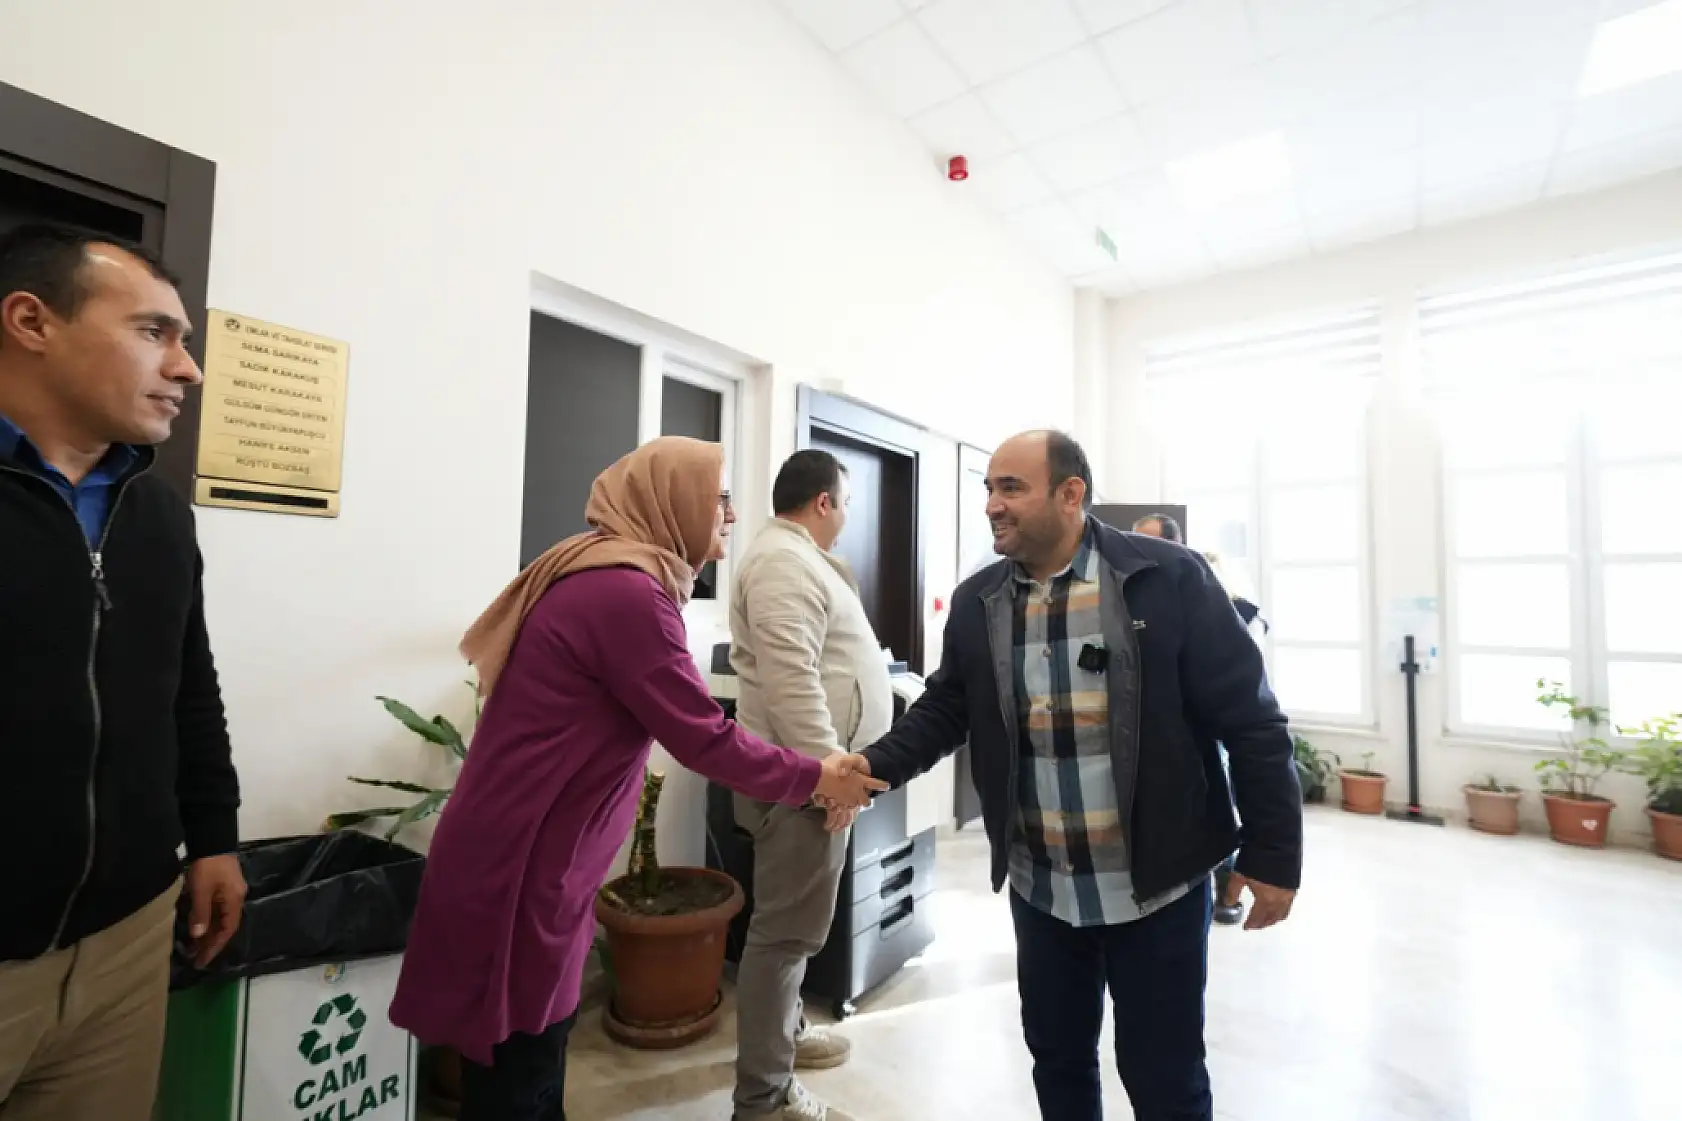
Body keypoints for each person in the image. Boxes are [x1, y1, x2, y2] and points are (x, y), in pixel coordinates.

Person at [389, 436, 885, 1121]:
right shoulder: (626, 593)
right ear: (671, 499)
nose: (732, 514)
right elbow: (705, 736)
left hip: (537, 848)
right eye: (718, 497)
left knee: (531, 1054)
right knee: (519, 1067)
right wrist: (817, 774)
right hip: (523, 859)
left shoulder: (612, 573)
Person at [860, 431, 1303, 1121]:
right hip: (1043, 891)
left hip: (1154, 888)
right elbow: (949, 705)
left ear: (1072, 494)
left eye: (1011, 487)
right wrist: (871, 768)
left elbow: (1251, 719)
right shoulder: (983, 599)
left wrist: (1274, 852)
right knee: (1059, 1063)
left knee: (1164, 1078)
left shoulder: (1171, 577)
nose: (991, 505)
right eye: (988, 487)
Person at [0, 224, 245, 1121]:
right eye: (155, 332)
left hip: (128, 940)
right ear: (31, 320)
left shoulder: (158, 516)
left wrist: (213, 835)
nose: (189, 369)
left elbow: (189, 685)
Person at [728, 449, 892, 1121]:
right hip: (800, 784)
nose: (846, 516)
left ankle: (786, 1035)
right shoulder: (782, 563)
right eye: (845, 503)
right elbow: (792, 680)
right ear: (823, 501)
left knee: (793, 928)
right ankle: (762, 1098)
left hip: (808, 778)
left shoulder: (799, 560)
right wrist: (828, 777)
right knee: (783, 936)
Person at [1130, 513, 1248, 927]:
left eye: (1145, 540)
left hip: (1205, 727)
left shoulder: (1200, 587)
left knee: (1213, 801)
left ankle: (1223, 890)